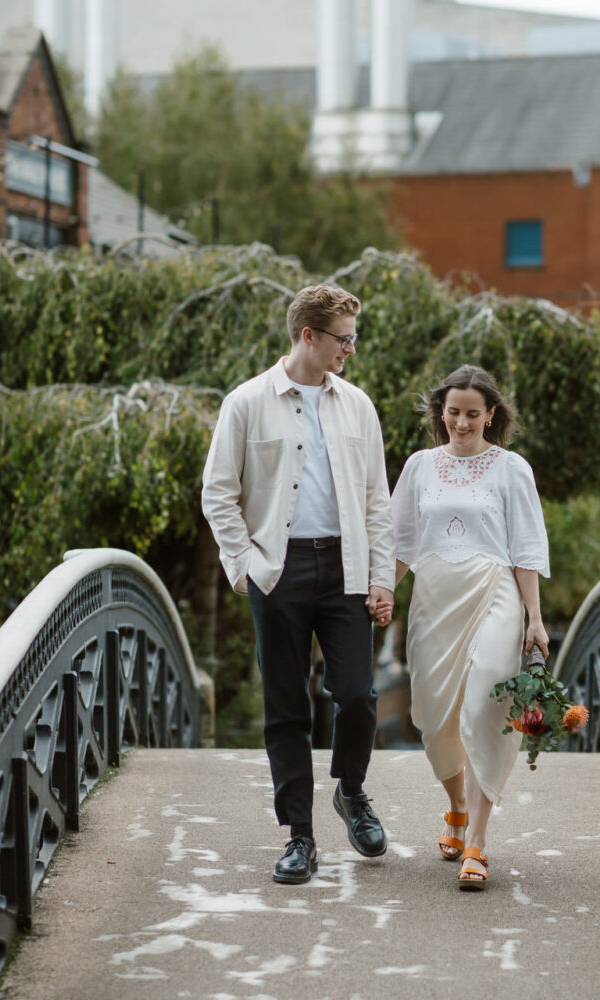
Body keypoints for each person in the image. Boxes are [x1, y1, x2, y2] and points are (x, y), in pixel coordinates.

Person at [201, 284, 396, 885]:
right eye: (343, 339)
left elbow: (375, 500)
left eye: (353, 338)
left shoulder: (358, 404)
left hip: (346, 569)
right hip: (277, 570)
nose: (351, 350)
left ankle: (352, 792)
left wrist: (382, 578)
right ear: (308, 336)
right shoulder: (246, 402)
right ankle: (300, 837)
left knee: (359, 696)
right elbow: (218, 493)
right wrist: (246, 567)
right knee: (286, 707)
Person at [388, 365, 550, 890]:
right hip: (434, 596)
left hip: (494, 591)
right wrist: (383, 590)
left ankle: (477, 841)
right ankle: (455, 806)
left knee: (485, 705)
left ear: (491, 415)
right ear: (441, 412)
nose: (460, 422)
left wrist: (536, 618)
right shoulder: (418, 466)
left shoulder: (511, 469)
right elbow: (402, 543)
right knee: (435, 718)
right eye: (453, 412)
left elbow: (525, 548)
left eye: (472, 414)